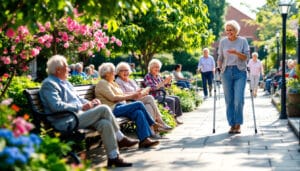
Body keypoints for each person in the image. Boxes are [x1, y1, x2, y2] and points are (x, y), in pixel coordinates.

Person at [39, 55, 139, 167]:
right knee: (104, 108)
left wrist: (91, 102)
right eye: (66, 67)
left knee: (104, 124)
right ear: (58, 70)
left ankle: (113, 157)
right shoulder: (49, 84)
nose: (69, 69)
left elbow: (78, 99)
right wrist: (81, 107)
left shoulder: (66, 82)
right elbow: (56, 106)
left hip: (78, 116)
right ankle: (120, 137)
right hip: (65, 121)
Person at [95, 62, 160, 148]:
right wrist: (132, 96)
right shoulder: (102, 83)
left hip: (120, 107)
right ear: (107, 73)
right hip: (112, 109)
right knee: (139, 104)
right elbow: (113, 98)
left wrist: (135, 93)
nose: (115, 74)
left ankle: (144, 140)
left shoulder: (112, 83)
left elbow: (122, 94)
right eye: (113, 72)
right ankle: (152, 123)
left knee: (138, 112)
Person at [115, 62, 172, 135]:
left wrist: (143, 90)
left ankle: (152, 132)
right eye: (122, 71)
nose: (125, 72)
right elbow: (122, 94)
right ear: (118, 72)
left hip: (138, 99)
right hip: (129, 102)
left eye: (127, 70)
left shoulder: (131, 81)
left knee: (148, 106)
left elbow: (137, 89)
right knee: (149, 98)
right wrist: (136, 93)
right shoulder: (118, 81)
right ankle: (160, 121)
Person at [217, 20, 250, 134]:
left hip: (240, 71)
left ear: (236, 30)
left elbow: (246, 57)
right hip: (226, 72)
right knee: (229, 100)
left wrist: (236, 53)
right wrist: (219, 66)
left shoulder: (243, 41)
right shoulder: (223, 42)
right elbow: (220, 56)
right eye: (227, 30)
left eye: (231, 30)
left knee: (239, 100)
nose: (229, 32)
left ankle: (238, 124)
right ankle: (232, 124)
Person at [144, 59, 183, 124]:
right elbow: (153, 88)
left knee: (177, 98)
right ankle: (172, 119)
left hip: (162, 95)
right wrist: (164, 82)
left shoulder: (158, 76)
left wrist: (168, 82)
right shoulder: (148, 76)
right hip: (154, 97)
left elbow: (165, 86)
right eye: (155, 67)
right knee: (171, 100)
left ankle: (176, 117)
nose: (157, 69)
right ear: (150, 68)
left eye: (158, 67)